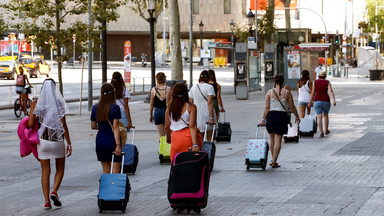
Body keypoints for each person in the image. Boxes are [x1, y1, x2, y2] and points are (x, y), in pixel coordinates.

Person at [27, 78, 72, 210]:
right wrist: (69, 143)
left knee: (45, 171)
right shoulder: (58, 103)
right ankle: (54, 191)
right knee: (60, 168)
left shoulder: (36, 103)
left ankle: (47, 202)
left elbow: (30, 124)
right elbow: (64, 125)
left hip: (43, 141)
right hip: (58, 140)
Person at [259, 74, 299, 168]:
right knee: (278, 140)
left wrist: (263, 120)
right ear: (283, 82)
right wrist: (297, 116)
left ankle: (273, 160)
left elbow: (267, 108)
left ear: (274, 81)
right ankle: (274, 161)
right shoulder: (287, 93)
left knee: (272, 139)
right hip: (281, 117)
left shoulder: (269, 92)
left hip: (271, 116)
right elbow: (292, 107)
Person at [164, 83, 202, 162]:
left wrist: (168, 137)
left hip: (175, 137)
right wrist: (195, 144)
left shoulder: (169, 108)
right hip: (188, 137)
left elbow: (167, 126)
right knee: (190, 163)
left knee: (176, 163)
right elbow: (192, 126)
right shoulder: (191, 107)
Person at [91, 83, 122, 174]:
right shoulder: (115, 108)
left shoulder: (95, 107)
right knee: (115, 169)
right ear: (113, 93)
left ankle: (105, 187)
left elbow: (93, 126)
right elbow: (115, 127)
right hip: (112, 140)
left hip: (100, 140)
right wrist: (118, 145)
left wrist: (102, 127)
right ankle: (113, 187)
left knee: (105, 170)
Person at [308, 71, 336, 138]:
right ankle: (326, 130)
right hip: (326, 101)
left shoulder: (315, 82)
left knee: (319, 117)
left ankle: (321, 132)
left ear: (319, 76)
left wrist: (309, 102)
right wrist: (334, 99)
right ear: (325, 76)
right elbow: (331, 91)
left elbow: (312, 92)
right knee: (326, 115)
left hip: (317, 101)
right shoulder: (327, 82)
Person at [189, 70, 215, 139]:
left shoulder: (193, 87)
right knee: (209, 135)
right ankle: (208, 149)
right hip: (207, 113)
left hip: (196, 114)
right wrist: (211, 117)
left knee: (199, 136)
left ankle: (201, 149)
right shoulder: (210, 87)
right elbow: (210, 102)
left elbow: (190, 102)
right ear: (208, 78)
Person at [149, 72, 171, 138]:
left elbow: (151, 104)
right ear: (164, 79)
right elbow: (168, 103)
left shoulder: (153, 89)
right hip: (166, 111)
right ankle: (168, 147)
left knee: (161, 136)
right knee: (168, 135)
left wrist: (151, 115)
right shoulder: (168, 89)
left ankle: (161, 147)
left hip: (157, 112)